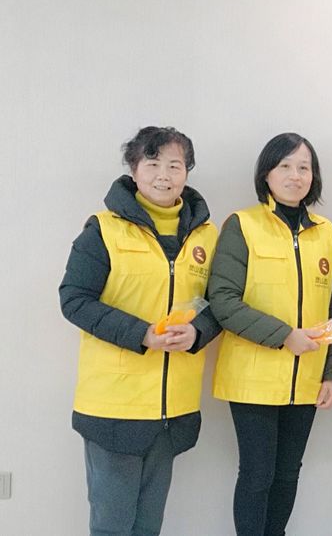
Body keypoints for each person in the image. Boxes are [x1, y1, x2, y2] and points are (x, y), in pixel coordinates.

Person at [59, 126, 222, 536]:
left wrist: (198, 333)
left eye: (175, 165)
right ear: (134, 170)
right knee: (112, 526)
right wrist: (142, 334)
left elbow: (220, 303)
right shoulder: (103, 229)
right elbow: (74, 299)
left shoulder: (206, 235)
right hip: (115, 407)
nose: (163, 175)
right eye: (152, 163)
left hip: (172, 408)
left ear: (187, 172)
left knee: (149, 525)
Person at [208, 132, 332, 536]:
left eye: (304, 167)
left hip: (307, 378)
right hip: (252, 378)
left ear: (314, 176)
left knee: (288, 473)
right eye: (284, 166)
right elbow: (222, 298)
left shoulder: (325, 232)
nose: (295, 175)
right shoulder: (242, 225)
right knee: (257, 474)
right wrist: (284, 334)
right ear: (266, 175)